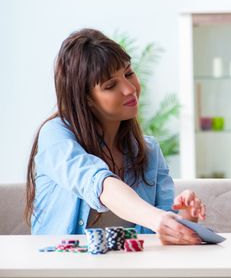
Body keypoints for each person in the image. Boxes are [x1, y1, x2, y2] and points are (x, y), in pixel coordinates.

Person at [25, 28, 204, 245]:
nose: (130, 89)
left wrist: (183, 220)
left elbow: (161, 232)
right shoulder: (55, 136)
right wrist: (157, 219)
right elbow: (98, 183)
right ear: (86, 99)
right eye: (110, 85)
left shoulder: (148, 151)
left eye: (129, 73)